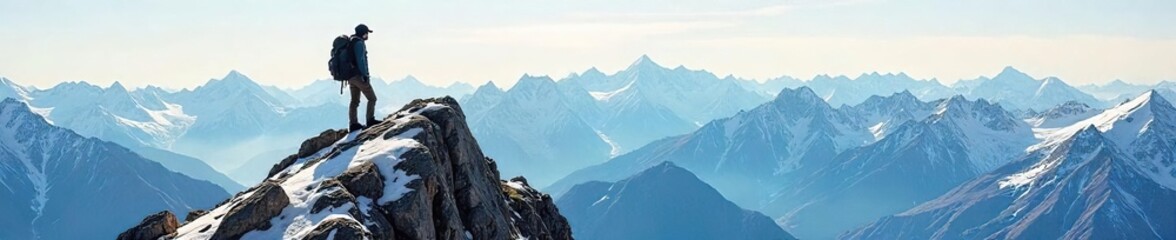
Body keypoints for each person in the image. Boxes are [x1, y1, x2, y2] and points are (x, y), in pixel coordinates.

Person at [348, 24, 378, 131]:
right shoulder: (359, 43)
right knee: (372, 98)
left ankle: (353, 124)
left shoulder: (351, 41)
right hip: (359, 76)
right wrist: (365, 75)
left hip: (350, 76)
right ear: (363, 33)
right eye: (367, 33)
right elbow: (361, 61)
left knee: (354, 101)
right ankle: (370, 120)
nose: (368, 35)